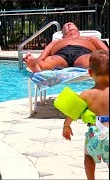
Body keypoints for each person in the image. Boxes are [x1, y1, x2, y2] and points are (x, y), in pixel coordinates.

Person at [62, 50, 109, 180]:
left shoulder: (86, 94)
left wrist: (66, 126)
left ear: (89, 73)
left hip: (95, 134)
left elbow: (73, 112)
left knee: (88, 157)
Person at [24, 22, 109, 72]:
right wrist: (36, 61)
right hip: (61, 55)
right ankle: (37, 68)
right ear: (63, 33)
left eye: (71, 24)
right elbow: (43, 56)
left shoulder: (90, 38)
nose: (68, 25)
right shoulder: (57, 41)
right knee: (50, 60)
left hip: (83, 53)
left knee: (91, 59)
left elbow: (106, 51)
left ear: (77, 30)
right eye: (66, 26)